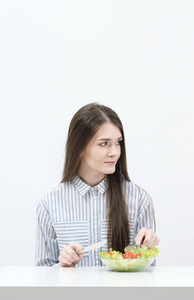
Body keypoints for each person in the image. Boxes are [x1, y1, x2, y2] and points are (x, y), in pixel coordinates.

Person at [36, 103, 159, 267]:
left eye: (118, 142)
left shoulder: (139, 200)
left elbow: (148, 275)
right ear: (79, 148)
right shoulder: (49, 203)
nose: (114, 152)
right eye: (104, 143)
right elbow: (42, 275)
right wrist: (63, 265)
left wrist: (146, 249)